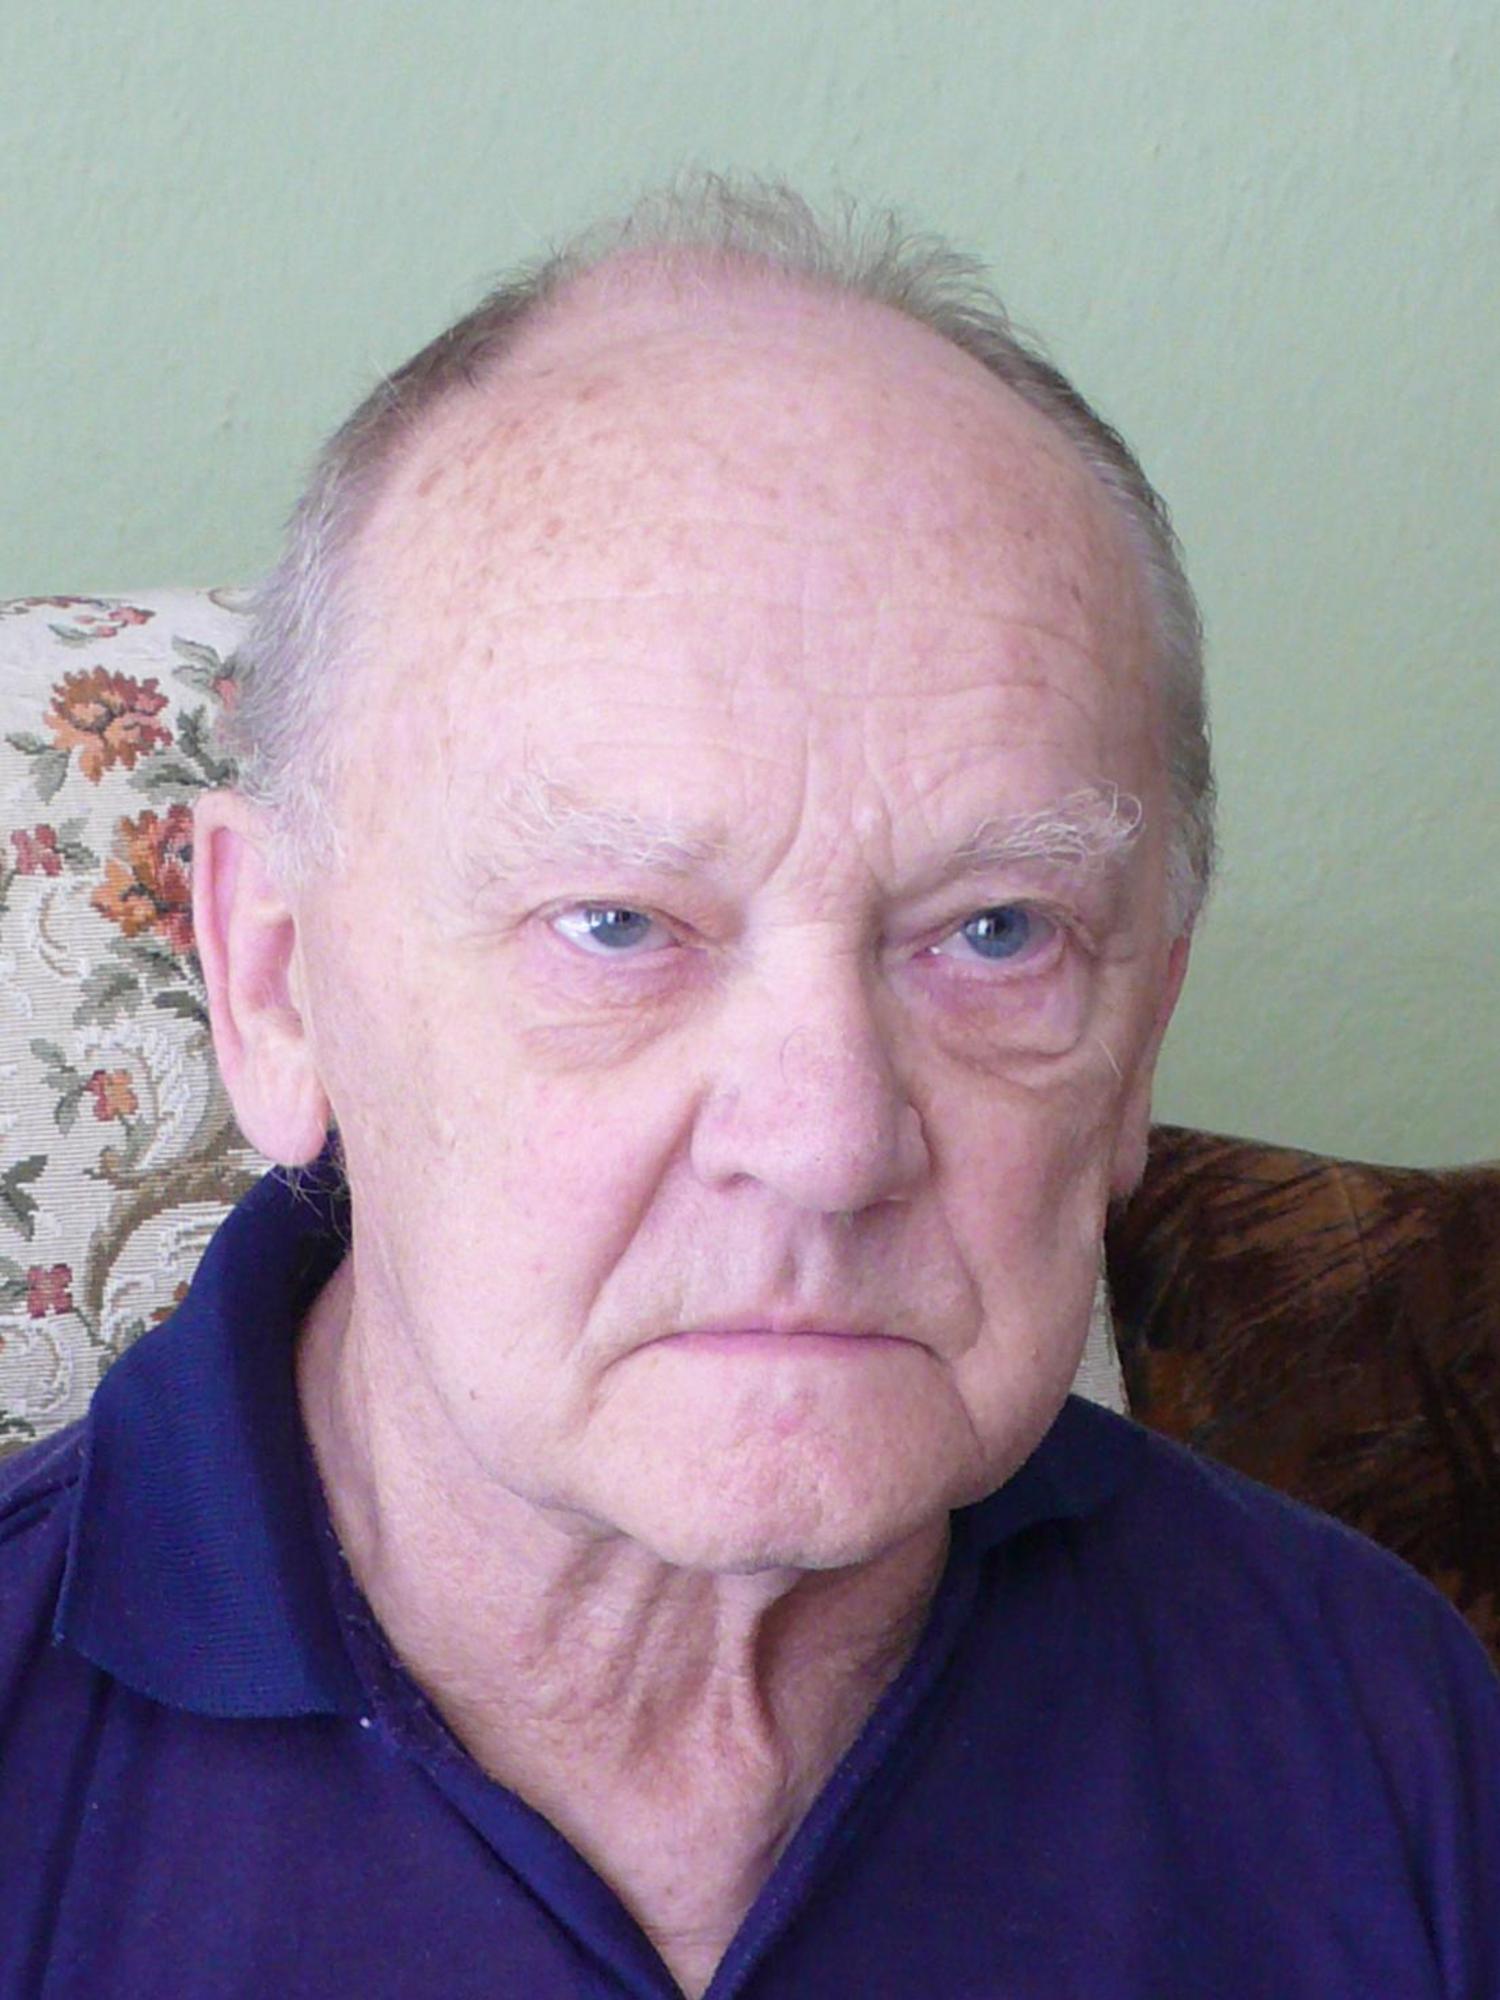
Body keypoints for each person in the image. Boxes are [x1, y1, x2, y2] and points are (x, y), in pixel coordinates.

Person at [1, 178, 1495, 2000]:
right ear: (273, 980)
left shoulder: (1383, 1733)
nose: (828, 1141)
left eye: (996, 932)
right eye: (618, 923)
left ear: (1138, 1041)